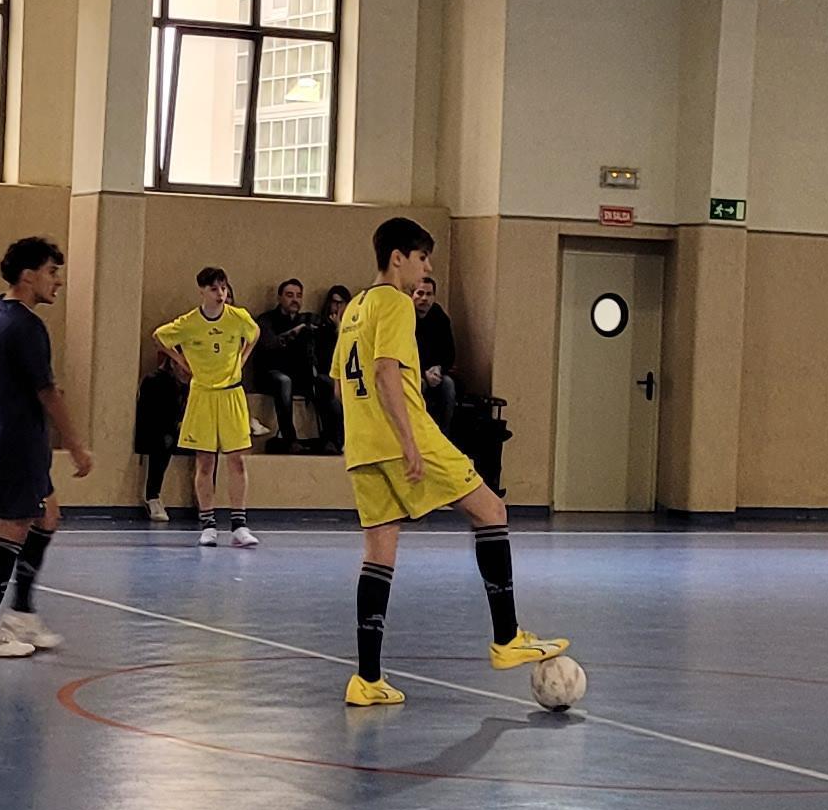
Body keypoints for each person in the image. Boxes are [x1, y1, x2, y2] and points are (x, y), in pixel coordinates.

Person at [334, 218, 569, 707]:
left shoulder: (354, 308)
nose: (426, 270)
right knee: (492, 512)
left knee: (379, 555)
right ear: (397, 257)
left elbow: (340, 384)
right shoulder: (396, 303)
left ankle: (367, 679)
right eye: (422, 259)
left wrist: (363, 436)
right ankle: (508, 639)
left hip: (362, 447)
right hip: (408, 438)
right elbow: (384, 374)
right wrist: (409, 442)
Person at [0, 236, 89, 657]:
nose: (58, 282)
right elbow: (48, 392)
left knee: (47, 516)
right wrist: (75, 444)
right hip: (16, 440)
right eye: (52, 273)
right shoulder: (26, 325)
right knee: (12, 528)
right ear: (28, 275)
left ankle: (21, 612)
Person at [155, 265, 263, 547]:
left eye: (223, 288)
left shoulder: (238, 317)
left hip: (231, 395)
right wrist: (181, 362)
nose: (220, 294)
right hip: (203, 395)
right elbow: (160, 337)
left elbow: (254, 334)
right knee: (205, 461)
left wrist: (241, 359)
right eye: (214, 289)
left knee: (237, 460)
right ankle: (208, 525)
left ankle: (239, 525)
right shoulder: (189, 322)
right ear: (202, 291)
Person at [414, 269, 508, 491]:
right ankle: (414, 440)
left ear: (434, 297)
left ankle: (444, 439)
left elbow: (449, 353)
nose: (424, 299)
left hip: (435, 373)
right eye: (420, 293)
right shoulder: (404, 317)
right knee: (415, 386)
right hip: (412, 373)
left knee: (448, 386)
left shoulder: (440, 318)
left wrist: (438, 368)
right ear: (412, 295)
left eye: (428, 294)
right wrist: (421, 373)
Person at [250, 276, 329, 453]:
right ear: (279, 297)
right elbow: (269, 345)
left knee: (326, 382)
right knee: (284, 381)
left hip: (298, 376)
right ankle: (289, 438)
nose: (295, 299)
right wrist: (294, 333)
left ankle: (333, 439)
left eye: (299, 296)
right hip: (270, 375)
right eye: (289, 295)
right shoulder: (266, 320)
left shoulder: (307, 319)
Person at [132, 333, 184, 523]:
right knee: (165, 441)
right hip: (159, 433)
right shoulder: (155, 380)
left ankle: (205, 502)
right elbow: (152, 418)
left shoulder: (197, 385)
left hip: (187, 431)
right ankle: (153, 495)